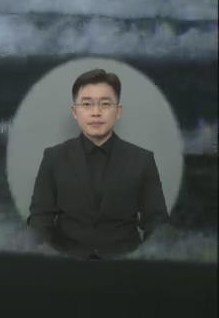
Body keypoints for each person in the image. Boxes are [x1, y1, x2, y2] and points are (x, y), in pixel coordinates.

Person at [27, 68, 169, 259]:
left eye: (105, 104)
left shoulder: (142, 160)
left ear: (118, 112)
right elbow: (40, 219)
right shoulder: (54, 157)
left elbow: (156, 222)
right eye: (86, 104)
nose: (96, 112)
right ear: (75, 112)